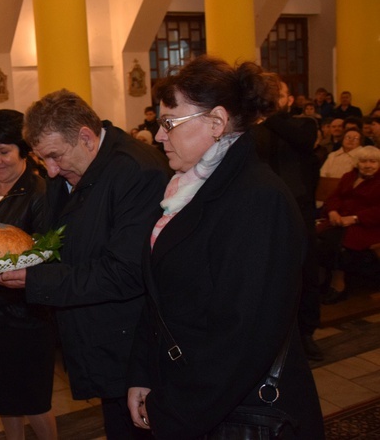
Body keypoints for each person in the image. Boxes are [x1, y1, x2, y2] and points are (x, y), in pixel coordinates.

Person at [126, 56, 323, 439]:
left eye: (169, 122)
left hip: (230, 407)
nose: (158, 136)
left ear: (216, 122)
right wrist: (143, 372)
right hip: (188, 388)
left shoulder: (258, 200)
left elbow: (244, 337)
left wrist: (174, 412)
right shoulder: (187, 188)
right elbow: (161, 299)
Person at [0, 91, 170, 439]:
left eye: (55, 156)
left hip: (133, 346)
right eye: (45, 161)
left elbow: (125, 272)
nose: (52, 171)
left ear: (86, 137)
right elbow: (59, 239)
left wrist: (35, 279)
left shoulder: (137, 171)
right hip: (96, 338)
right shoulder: (70, 170)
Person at [0, 109, 57, 440]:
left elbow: (44, 262)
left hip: (27, 317)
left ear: (24, 151)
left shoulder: (40, 194)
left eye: (4, 151)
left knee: (34, 401)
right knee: (4, 400)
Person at [254, 79, 322, 361]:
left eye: (277, 95)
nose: (271, 99)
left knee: (304, 271)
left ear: (288, 100)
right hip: (264, 211)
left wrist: (268, 113)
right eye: (266, 95)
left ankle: (306, 333)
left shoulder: (304, 124)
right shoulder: (253, 129)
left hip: (299, 209)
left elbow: (302, 140)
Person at [318, 145, 380, 304]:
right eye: (363, 161)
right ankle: (322, 279)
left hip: (367, 225)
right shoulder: (348, 176)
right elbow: (335, 197)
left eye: (373, 161)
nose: (368, 165)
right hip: (339, 220)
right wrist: (332, 211)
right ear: (356, 163)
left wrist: (355, 218)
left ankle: (338, 284)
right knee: (317, 238)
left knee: (340, 244)